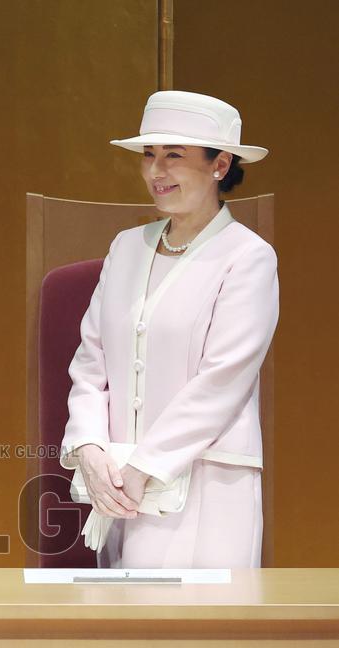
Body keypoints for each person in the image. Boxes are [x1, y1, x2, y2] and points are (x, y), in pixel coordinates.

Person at [60, 91, 279, 569]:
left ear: (220, 165)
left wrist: (144, 468)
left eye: (174, 155)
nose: (156, 171)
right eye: (149, 155)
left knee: (191, 617)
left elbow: (222, 380)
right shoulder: (126, 247)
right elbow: (90, 364)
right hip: (119, 488)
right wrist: (90, 448)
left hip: (206, 485)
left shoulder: (247, 257)